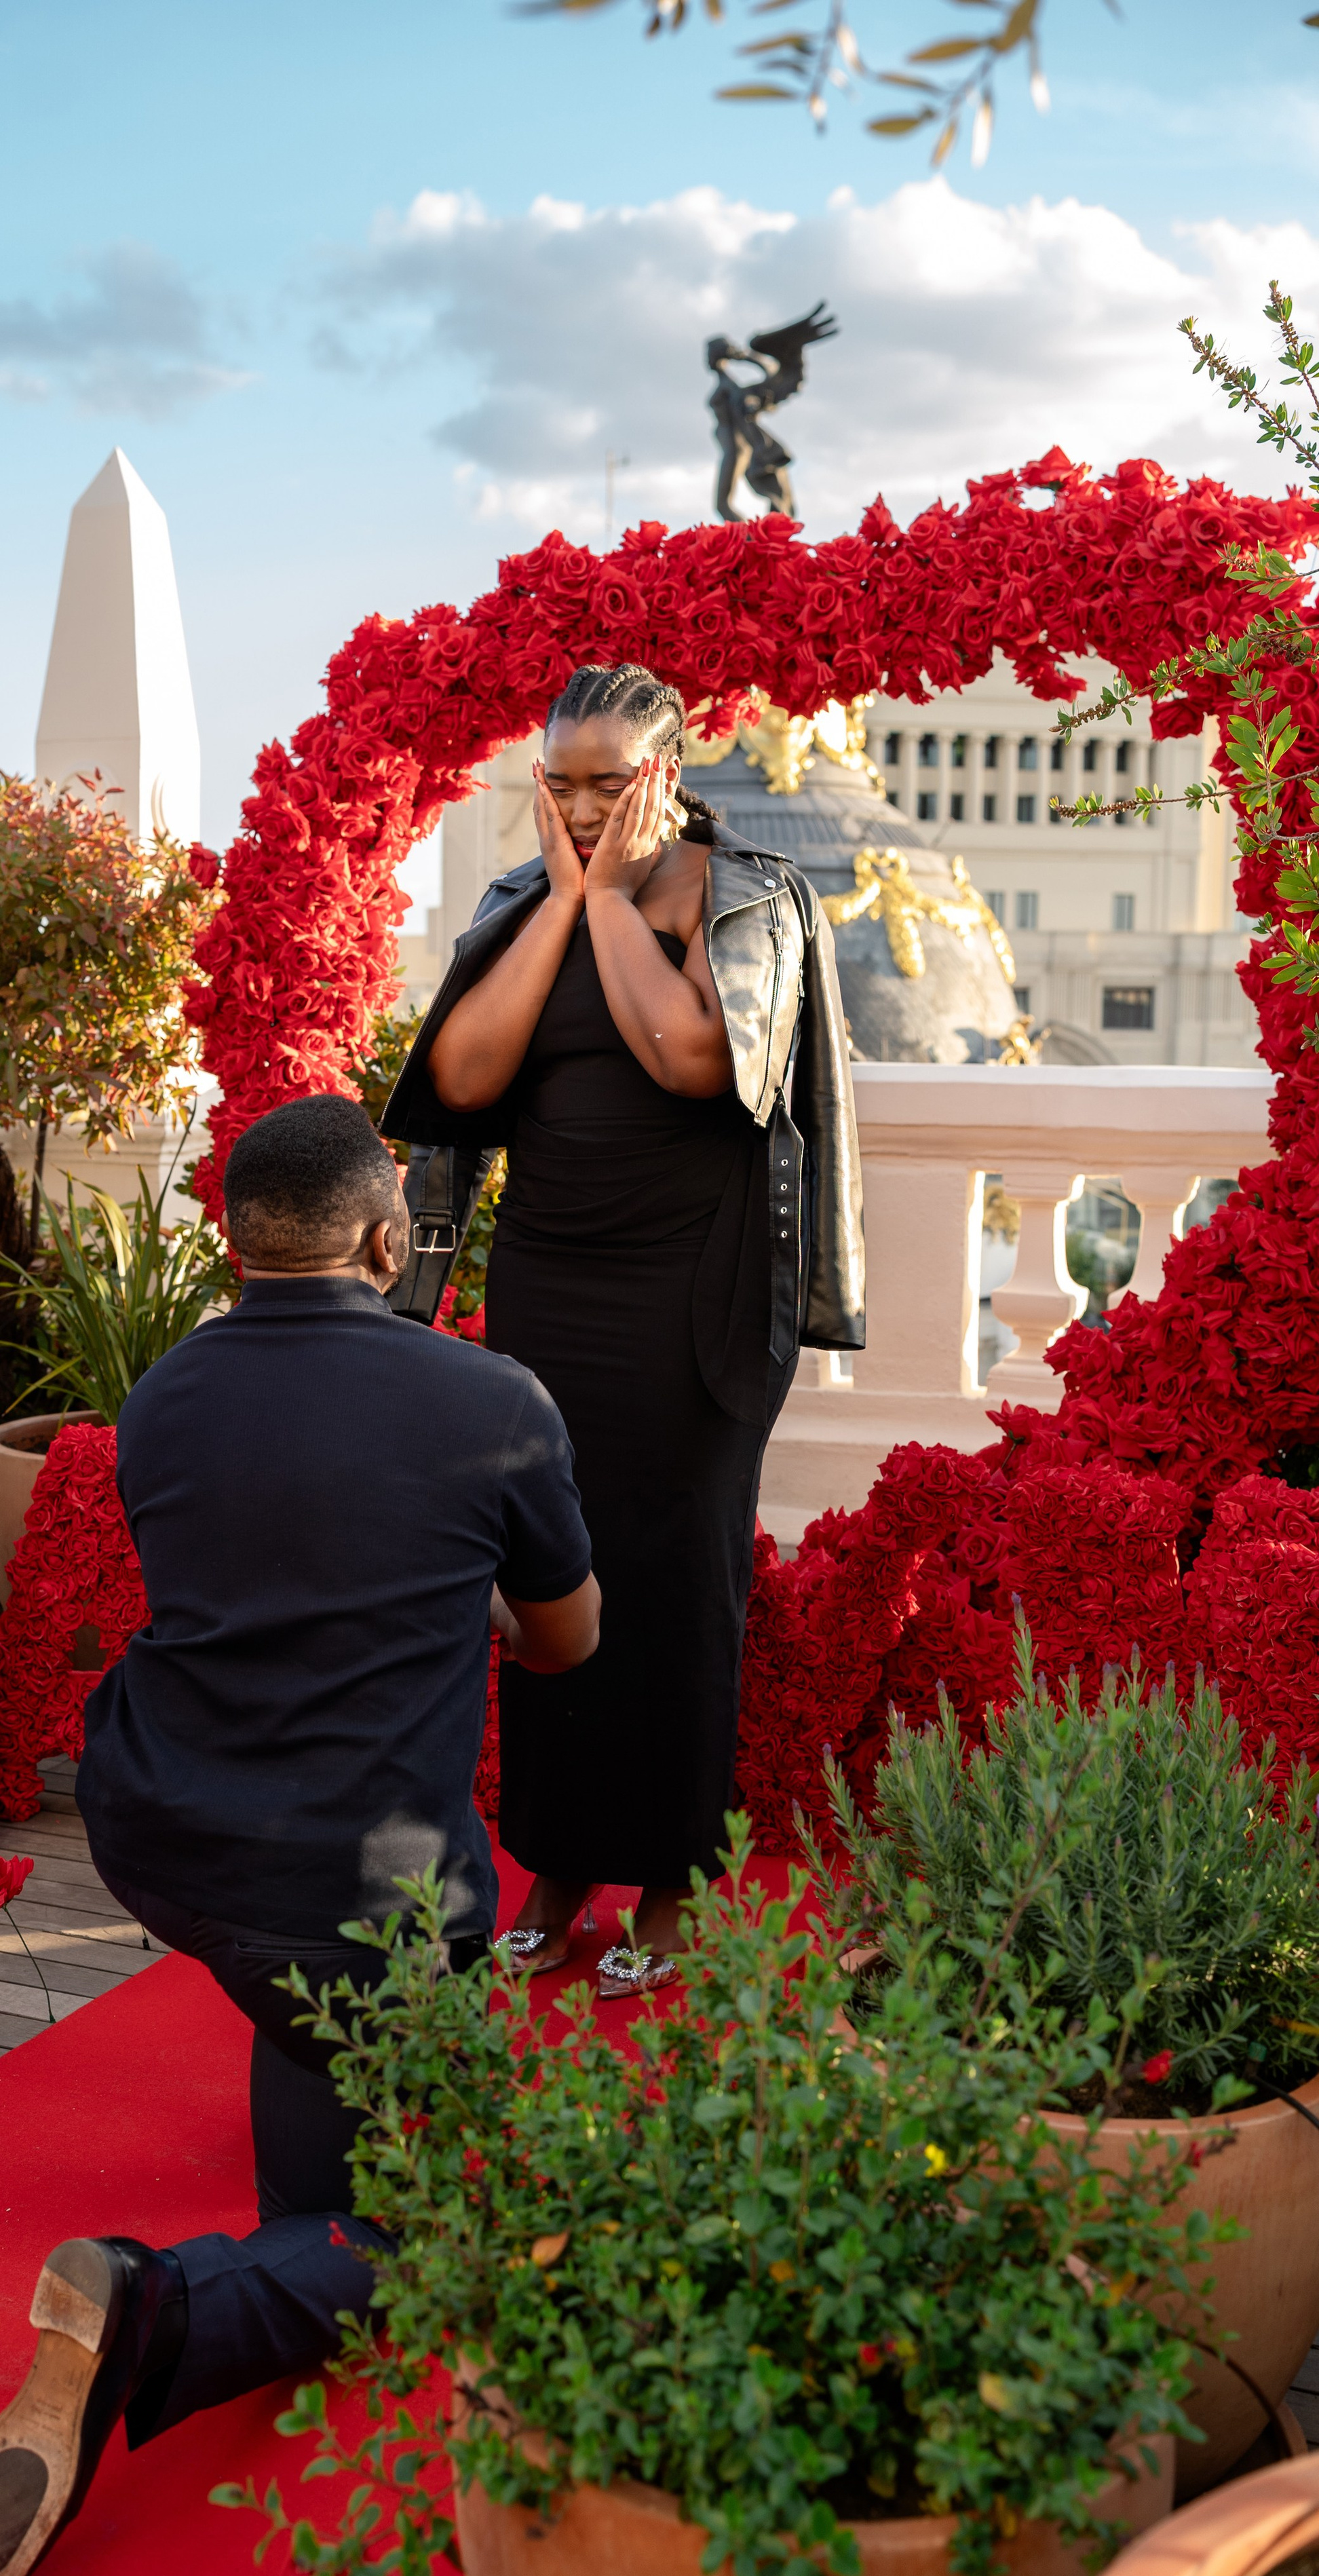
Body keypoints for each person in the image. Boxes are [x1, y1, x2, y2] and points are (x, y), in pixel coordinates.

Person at [0, 1093, 598, 2576]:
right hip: (365, 1876)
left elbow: (272, 1568)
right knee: (427, 2242)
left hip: (164, 1826)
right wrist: (482, 1600)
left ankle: (289, 2182)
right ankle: (146, 2306)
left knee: (307, 2020)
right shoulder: (490, 1399)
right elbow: (567, 1643)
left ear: (232, 1240)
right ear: (387, 1239)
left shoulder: (166, 1397)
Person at [381, 663, 863, 1999]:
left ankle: (664, 1883)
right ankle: (555, 1861)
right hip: (552, 1292)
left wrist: (600, 897)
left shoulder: (741, 893)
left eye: (609, 781)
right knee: (550, 1573)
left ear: (667, 767)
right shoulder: (516, 903)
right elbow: (465, 1080)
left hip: (698, 1300)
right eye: (563, 781)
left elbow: (688, 1056)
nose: (583, 806)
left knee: (670, 1584)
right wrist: (560, 903)